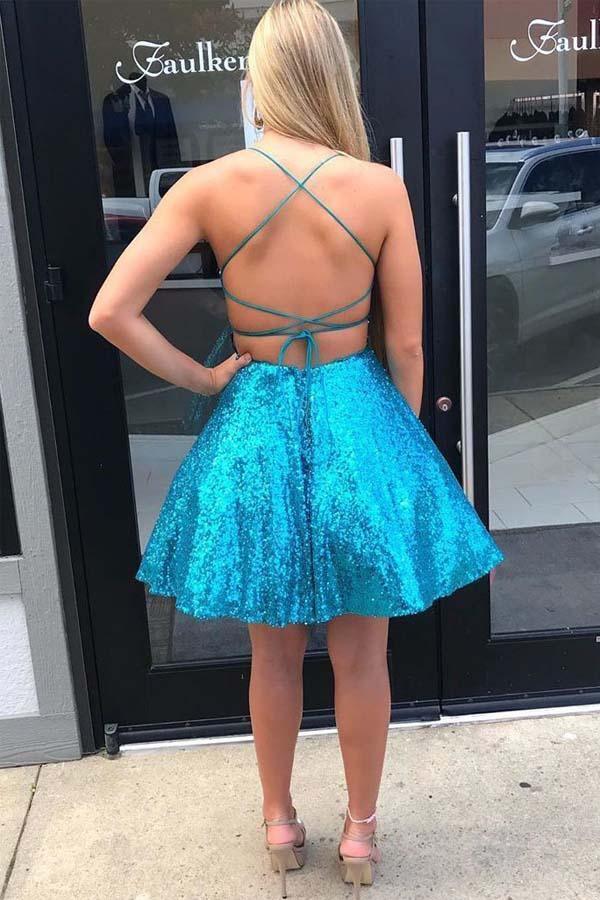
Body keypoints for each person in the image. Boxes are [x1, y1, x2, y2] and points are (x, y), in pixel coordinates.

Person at [88, 1, 505, 896]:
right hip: (358, 412)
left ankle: (279, 824)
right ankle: (360, 836)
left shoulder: (209, 186)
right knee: (363, 655)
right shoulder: (379, 188)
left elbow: (110, 311)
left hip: (256, 420)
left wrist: (204, 378)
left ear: (261, 82)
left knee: (271, 655)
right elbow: (407, 345)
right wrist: (392, 448)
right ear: (336, 80)